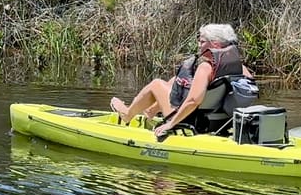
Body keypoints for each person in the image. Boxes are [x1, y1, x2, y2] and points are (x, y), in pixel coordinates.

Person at [109, 23, 254, 137]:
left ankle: (127, 115)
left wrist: (170, 124)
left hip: (191, 121)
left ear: (215, 45)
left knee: (157, 84)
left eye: (202, 41)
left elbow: (193, 101)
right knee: (175, 81)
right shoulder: (240, 68)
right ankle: (150, 111)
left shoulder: (206, 68)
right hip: (218, 122)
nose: (199, 44)